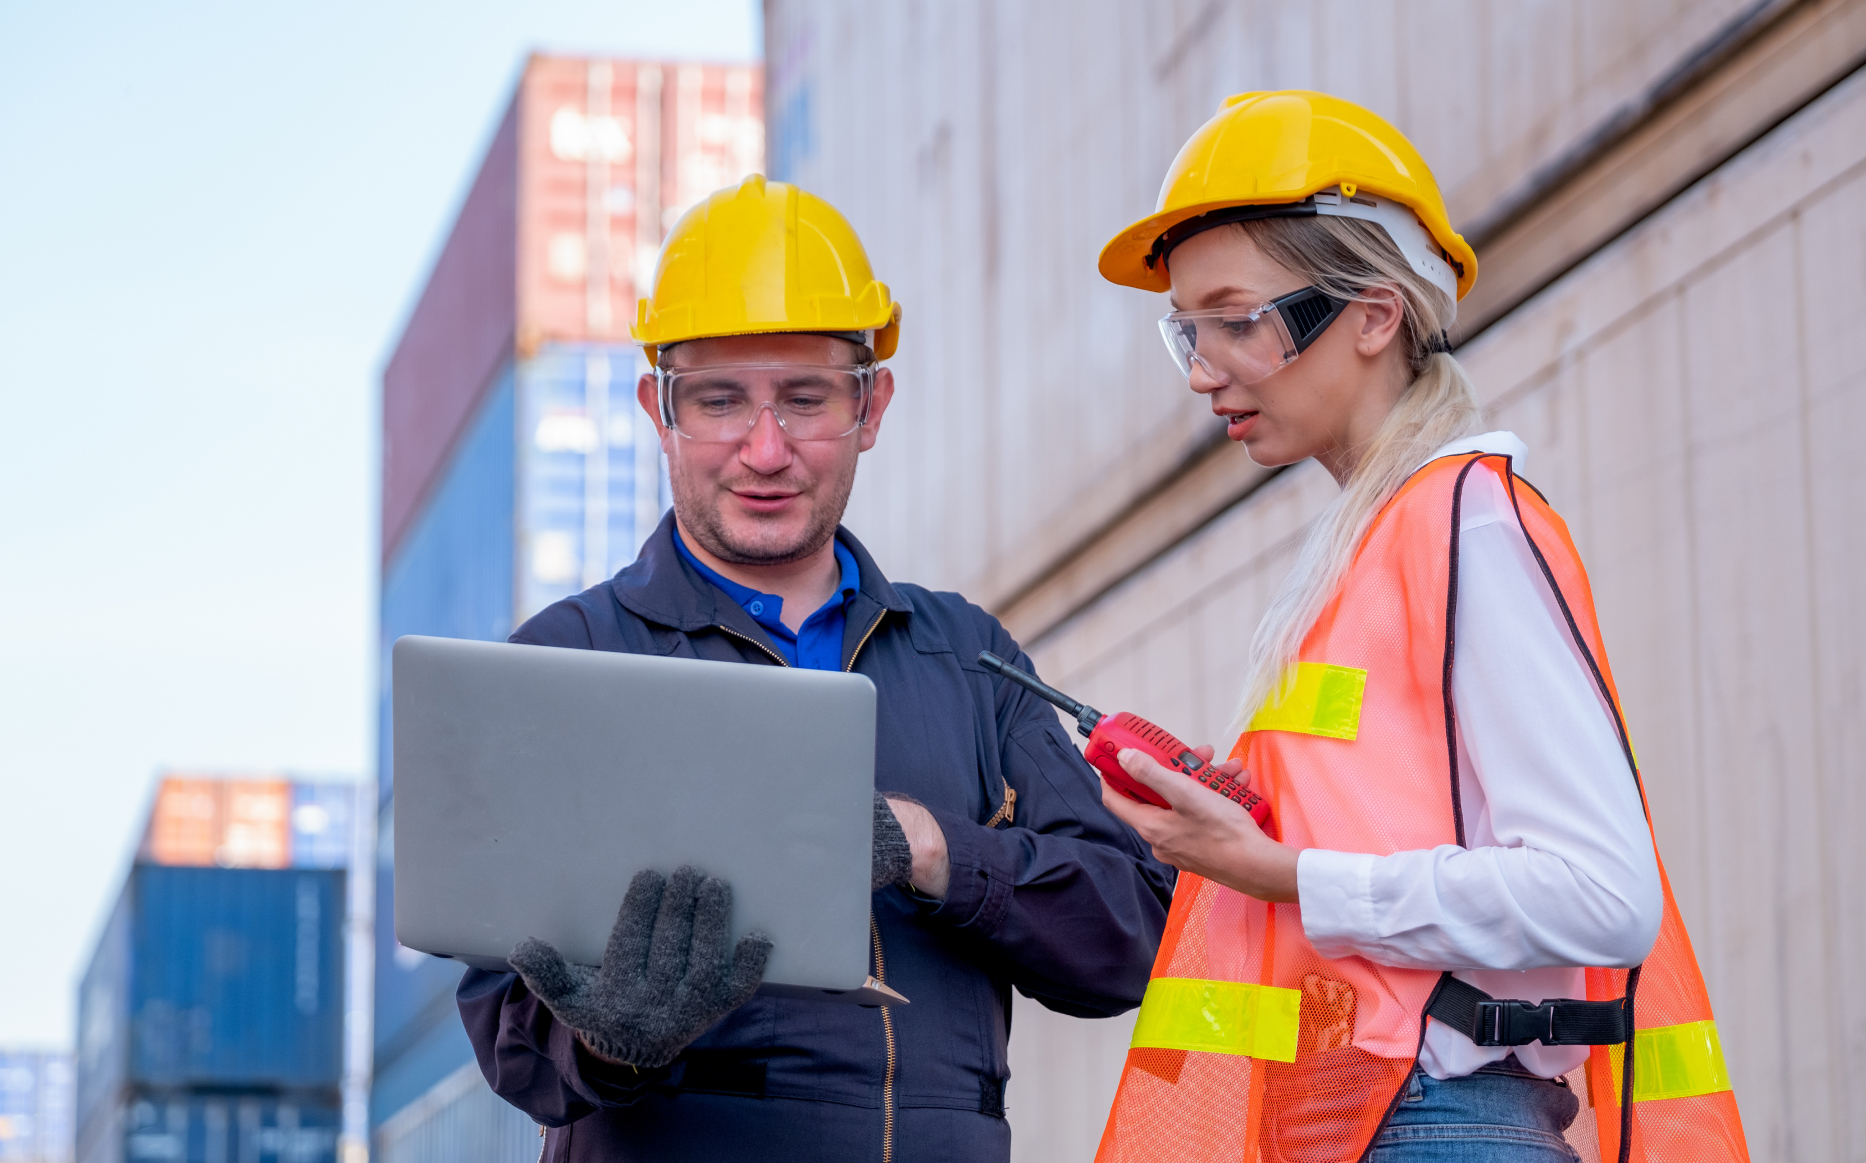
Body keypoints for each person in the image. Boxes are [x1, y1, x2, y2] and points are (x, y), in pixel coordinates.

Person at [455, 174, 1174, 1163]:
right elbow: (506, 1031)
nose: (764, 449)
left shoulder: (969, 658)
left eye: (805, 400)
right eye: (719, 402)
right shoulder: (568, 662)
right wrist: (604, 1039)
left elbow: (1125, 939)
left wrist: (933, 850)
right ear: (656, 410)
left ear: (871, 404)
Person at [1087, 93, 1748, 1162]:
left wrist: (1289, 874)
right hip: (1375, 1123)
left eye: (1236, 319)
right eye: (1186, 332)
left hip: (1437, 1123)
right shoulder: (1382, 540)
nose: (1205, 370)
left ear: (1374, 313)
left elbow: (1602, 893)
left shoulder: (1467, 523)